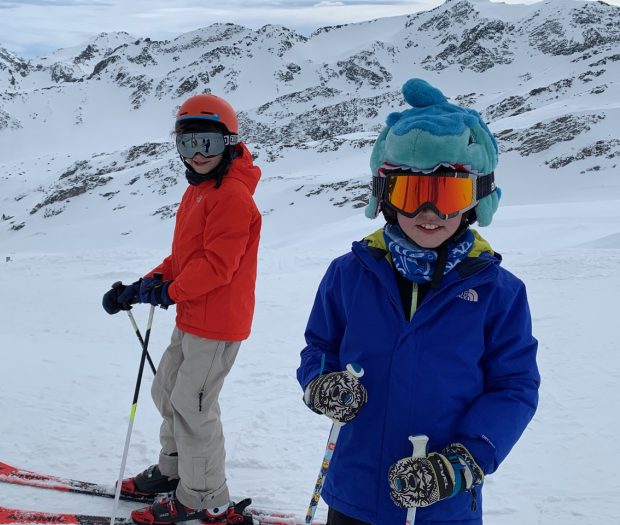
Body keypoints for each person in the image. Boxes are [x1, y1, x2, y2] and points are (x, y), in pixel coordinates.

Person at [296, 78, 540, 525]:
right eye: (412, 194)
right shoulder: (349, 274)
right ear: (386, 197)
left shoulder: (498, 293)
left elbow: (514, 387)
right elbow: (318, 348)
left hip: (442, 502)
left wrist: (463, 462)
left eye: (449, 195)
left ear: (475, 201)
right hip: (353, 494)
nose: (431, 214)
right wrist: (320, 384)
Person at [102, 93, 262, 525]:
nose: (197, 155)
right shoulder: (199, 193)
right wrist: (144, 285)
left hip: (217, 324)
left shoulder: (231, 197)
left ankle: (206, 498)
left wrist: (169, 292)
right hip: (193, 316)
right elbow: (185, 257)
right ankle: (175, 472)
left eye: (207, 144)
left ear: (228, 143)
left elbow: (217, 266)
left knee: (194, 407)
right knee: (167, 391)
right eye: (187, 145)